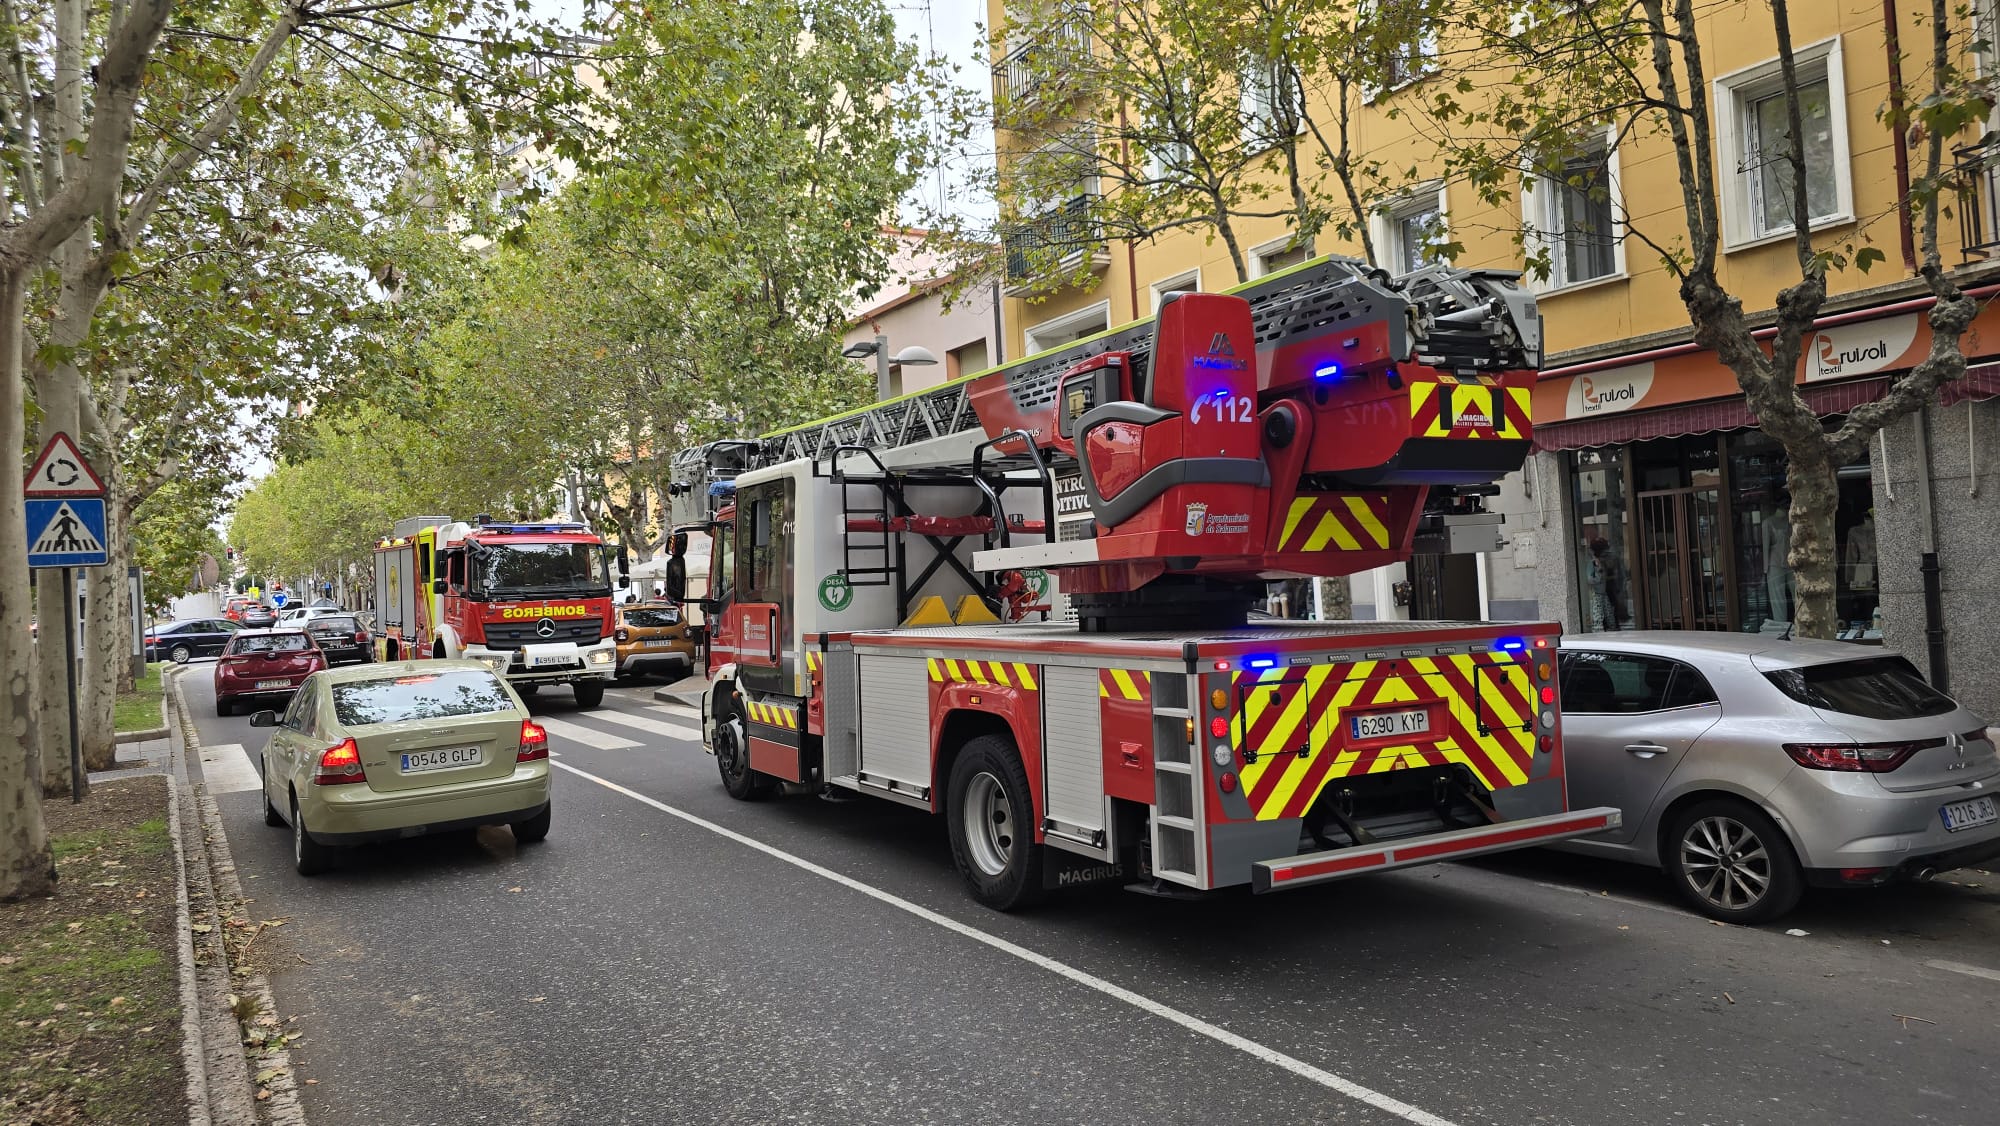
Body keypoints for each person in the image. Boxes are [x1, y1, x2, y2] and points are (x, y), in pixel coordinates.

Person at [1586, 537, 1626, 630]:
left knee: (1610, 616)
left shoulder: (1610, 559)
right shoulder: (1593, 563)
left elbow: (1620, 575)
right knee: (1602, 616)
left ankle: (1611, 628)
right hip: (1601, 592)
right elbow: (1590, 579)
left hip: (1609, 591)